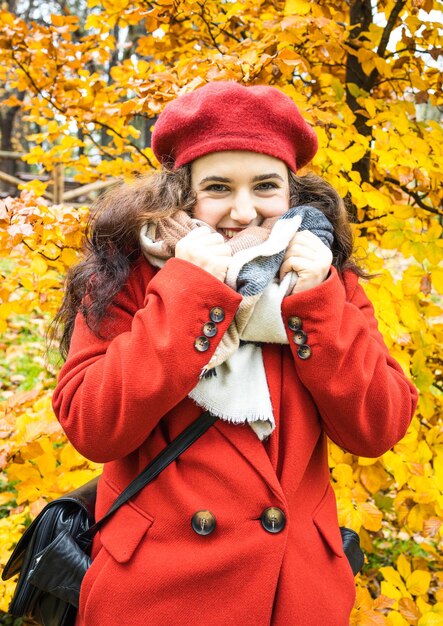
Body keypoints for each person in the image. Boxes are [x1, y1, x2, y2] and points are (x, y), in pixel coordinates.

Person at [51, 81, 418, 626]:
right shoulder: (128, 274)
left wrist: (316, 302)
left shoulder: (321, 276)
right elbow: (94, 426)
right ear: (183, 192)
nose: (244, 212)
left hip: (294, 594)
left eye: (265, 186)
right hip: (157, 593)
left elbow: (379, 426)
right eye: (218, 187)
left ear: (291, 193)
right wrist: (189, 289)